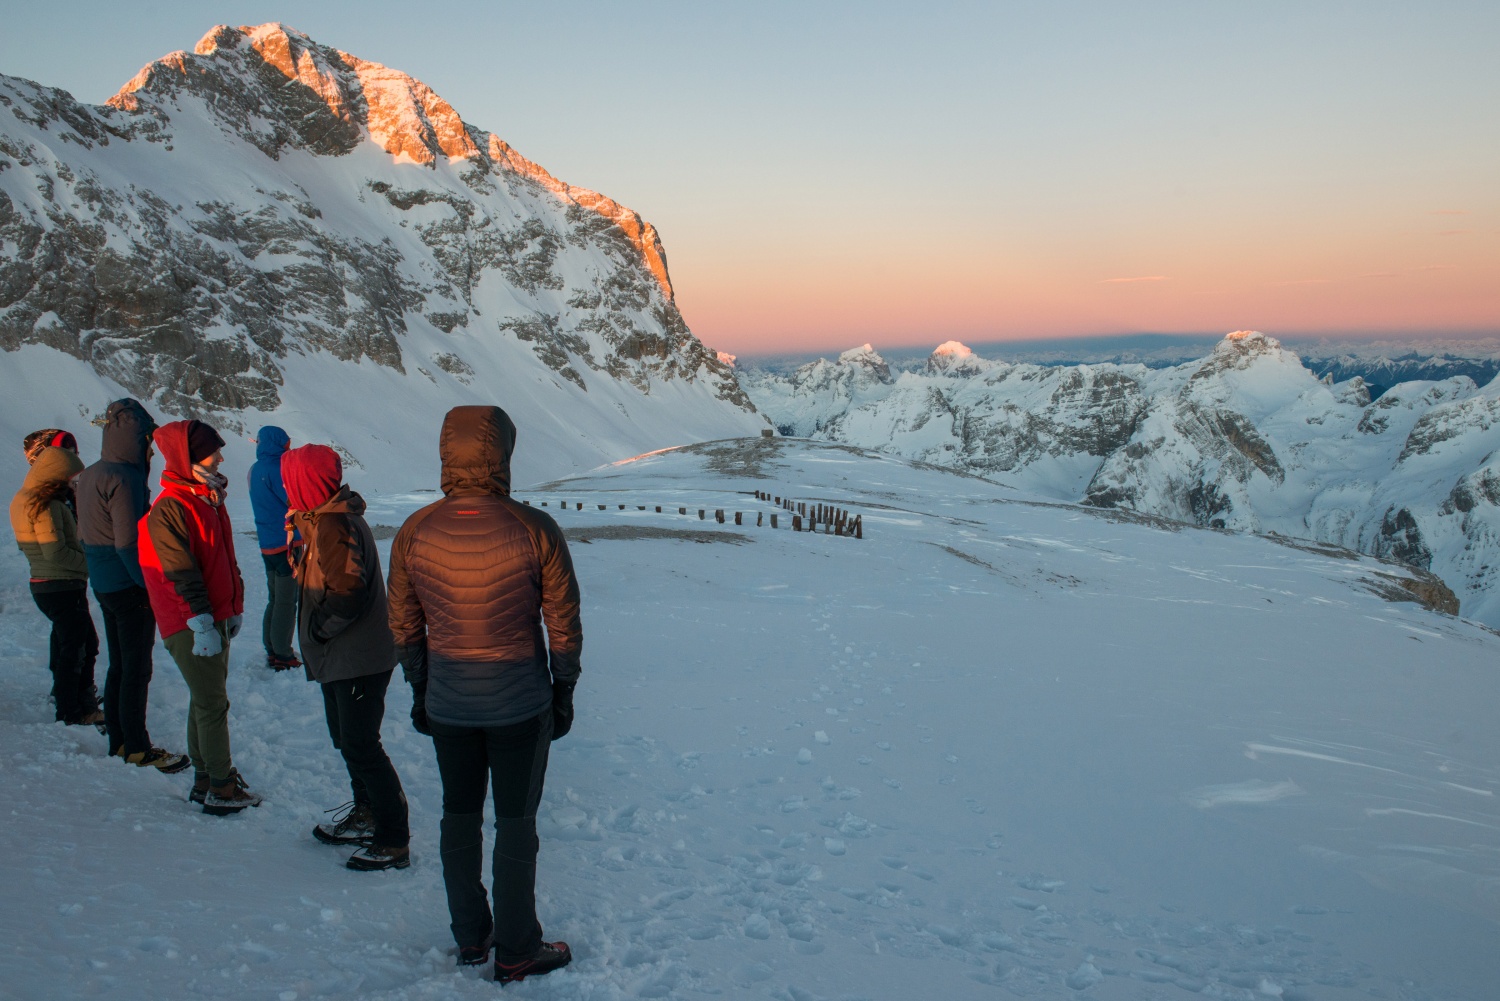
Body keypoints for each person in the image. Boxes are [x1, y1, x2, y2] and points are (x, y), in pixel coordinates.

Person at [388, 405, 582, 984]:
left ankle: (472, 937)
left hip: (450, 702)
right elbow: (563, 622)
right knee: (516, 823)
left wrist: (422, 687)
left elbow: (404, 624)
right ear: (504, 453)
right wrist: (563, 688)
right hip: (520, 702)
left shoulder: (415, 529)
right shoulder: (534, 527)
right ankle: (518, 947)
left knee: (458, 815)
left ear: (448, 452)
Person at [282, 443, 410, 870]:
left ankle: (393, 838)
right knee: (348, 741)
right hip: (346, 657)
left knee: (360, 745)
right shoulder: (324, 522)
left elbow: (348, 593)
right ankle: (367, 813)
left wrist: (319, 631)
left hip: (358, 657)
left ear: (304, 483)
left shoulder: (335, 524)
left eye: (289, 479)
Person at [137, 419, 258, 815]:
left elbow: (223, 557)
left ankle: (205, 779)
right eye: (213, 451)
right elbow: (179, 572)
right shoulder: (172, 507)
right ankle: (221, 787)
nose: (221, 457)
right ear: (189, 457)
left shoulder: (207, 498)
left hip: (213, 616)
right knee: (212, 704)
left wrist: (232, 607)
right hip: (191, 622)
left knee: (203, 700)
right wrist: (201, 621)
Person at [75, 399, 188, 772]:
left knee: (119, 664)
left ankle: (120, 741)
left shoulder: (91, 473)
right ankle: (136, 747)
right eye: (147, 441)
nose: (150, 449)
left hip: (104, 584)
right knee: (136, 668)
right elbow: (127, 541)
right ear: (135, 439)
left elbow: (86, 532)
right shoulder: (123, 478)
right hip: (128, 585)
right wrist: (149, 587)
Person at [10, 444, 103, 729]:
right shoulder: (46, 506)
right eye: (70, 478)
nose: (73, 484)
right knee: (77, 648)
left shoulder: (24, 500)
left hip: (48, 584)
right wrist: (94, 566)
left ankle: (79, 705)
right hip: (60, 586)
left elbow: (29, 547)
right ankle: (72, 711)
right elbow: (56, 552)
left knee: (80, 644)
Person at [247, 426, 301, 671]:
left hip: (268, 543)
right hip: (287, 542)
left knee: (275, 597)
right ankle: (283, 653)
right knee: (287, 601)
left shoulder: (255, 469)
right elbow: (292, 502)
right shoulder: (277, 469)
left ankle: (271, 648)